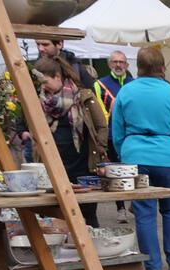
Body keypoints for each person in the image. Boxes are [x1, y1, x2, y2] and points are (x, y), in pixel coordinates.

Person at [110, 46, 170, 270]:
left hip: (136, 156)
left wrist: (124, 154)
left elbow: (116, 130)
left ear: (138, 67)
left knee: (144, 213)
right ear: (162, 67)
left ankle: (153, 267)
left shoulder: (126, 92)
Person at [31, 56, 108, 228]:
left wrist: (100, 150)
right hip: (53, 167)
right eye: (40, 83)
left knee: (87, 214)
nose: (43, 87)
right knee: (54, 213)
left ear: (58, 77)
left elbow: (102, 126)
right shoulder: (40, 102)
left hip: (82, 167)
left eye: (45, 81)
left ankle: (93, 250)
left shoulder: (84, 97)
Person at [95, 50, 134, 224]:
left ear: (127, 65)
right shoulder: (100, 84)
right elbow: (98, 112)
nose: (118, 65)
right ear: (110, 64)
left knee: (133, 171)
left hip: (131, 135)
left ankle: (135, 203)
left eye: (122, 62)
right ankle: (121, 208)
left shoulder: (134, 84)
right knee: (116, 171)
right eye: (115, 62)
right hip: (111, 136)